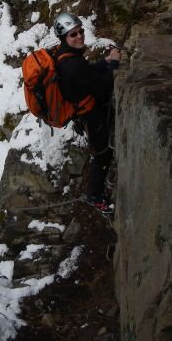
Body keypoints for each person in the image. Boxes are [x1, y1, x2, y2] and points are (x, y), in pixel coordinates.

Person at [52, 13, 121, 213]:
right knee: (102, 153)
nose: (80, 36)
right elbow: (99, 87)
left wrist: (105, 61)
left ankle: (98, 190)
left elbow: (87, 73)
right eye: (73, 34)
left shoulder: (66, 56)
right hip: (91, 115)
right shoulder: (72, 63)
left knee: (101, 151)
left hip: (85, 111)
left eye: (80, 31)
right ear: (64, 38)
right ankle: (95, 196)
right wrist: (114, 64)